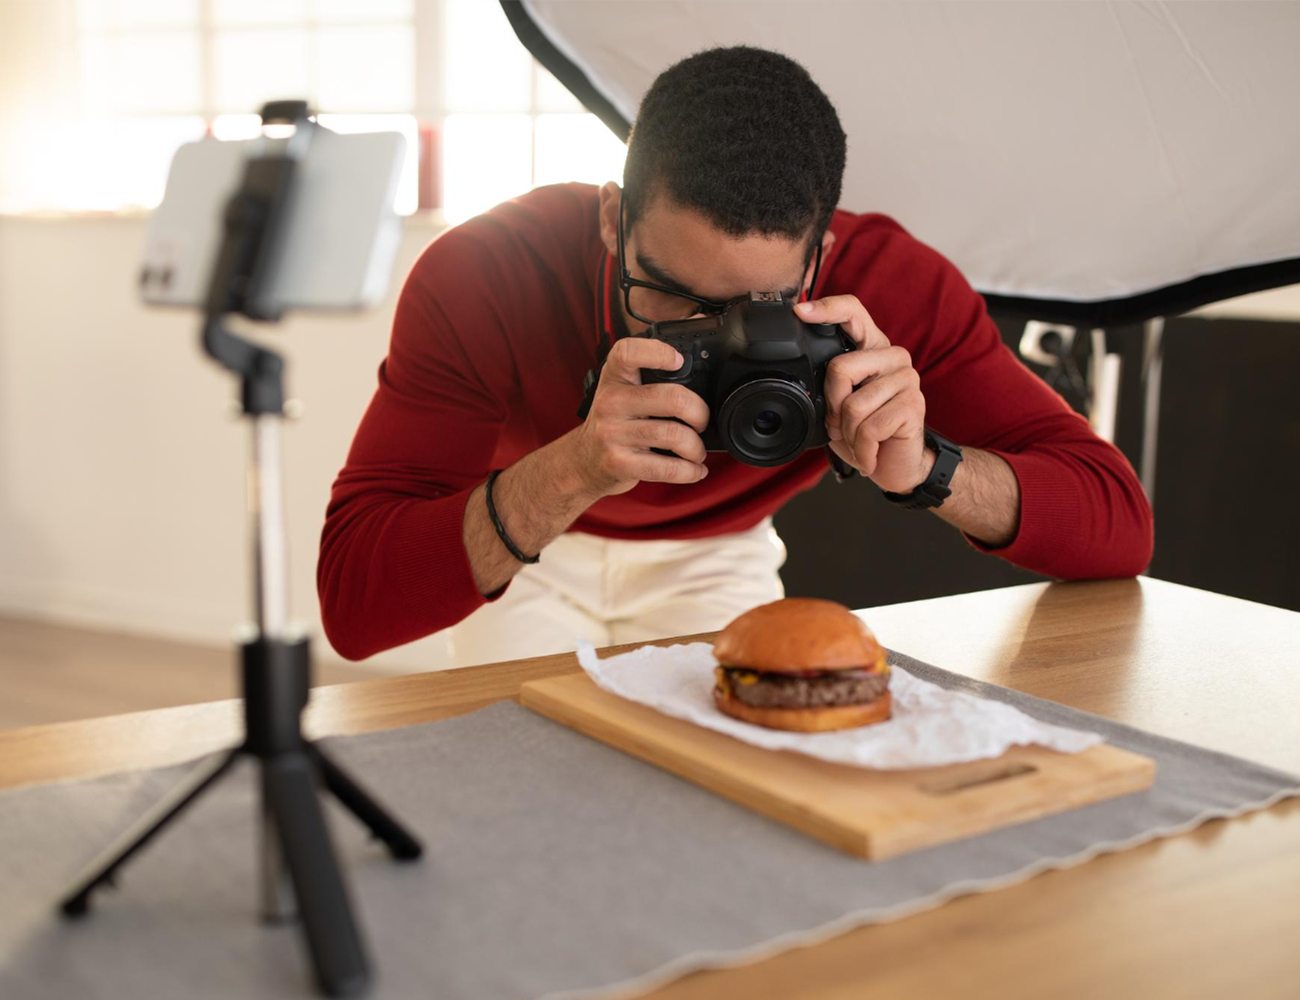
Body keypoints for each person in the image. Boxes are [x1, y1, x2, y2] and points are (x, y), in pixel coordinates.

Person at [317, 46, 1153, 666]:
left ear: (820, 260)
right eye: (669, 293)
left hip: (723, 547)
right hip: (534, 535)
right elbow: (355, 605)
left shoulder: (890, 287)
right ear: (611, 219)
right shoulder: (489, 269)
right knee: (519, 779)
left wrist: (930, 470)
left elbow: (1120, 526)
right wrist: (575, 467)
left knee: (741, 779)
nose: (707, 334)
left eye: (756, 309)